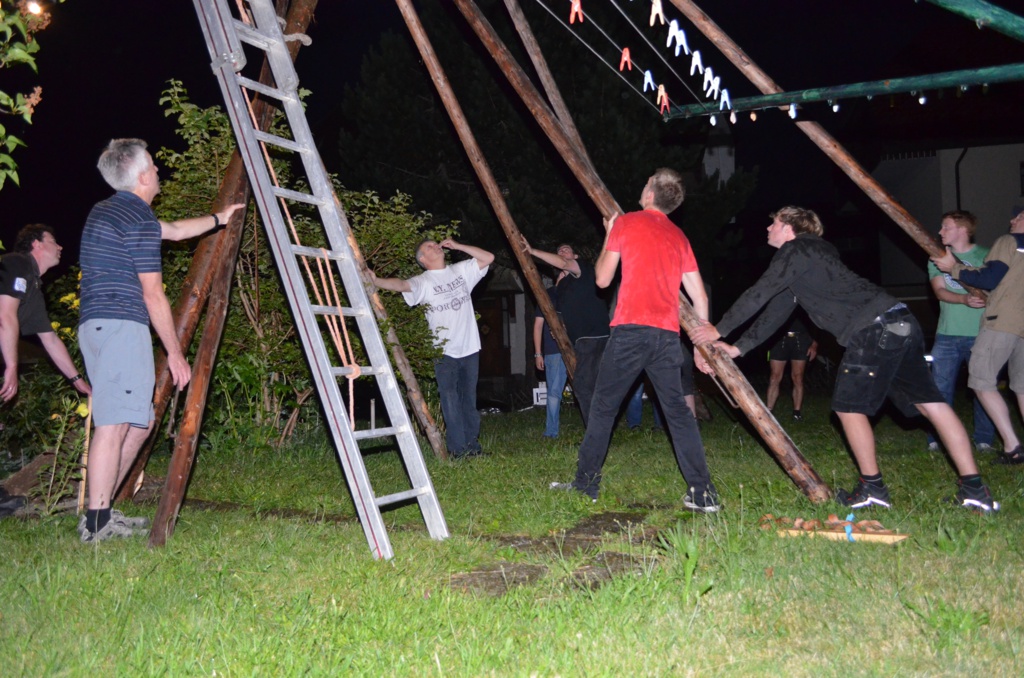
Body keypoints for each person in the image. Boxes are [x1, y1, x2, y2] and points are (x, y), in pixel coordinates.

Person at [690, 206, 998, 513]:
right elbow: (776, 310)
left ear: (788, 227)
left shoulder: (796, 249)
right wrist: (738, 347)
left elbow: (759, 292)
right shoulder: (813, 257)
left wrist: (718, 329)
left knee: (848, 407)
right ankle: (975, 490)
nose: (768, 229)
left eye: (773, 223)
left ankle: (872, 488)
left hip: (873, 328)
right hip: (900, 321)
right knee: (930, 403)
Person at [78, 138, 243, 542]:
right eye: (152, 165)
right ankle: (95, 524)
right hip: (120, 324)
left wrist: (219, 218)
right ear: (140, 176)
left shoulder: (113, 211)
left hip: (101, 326)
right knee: (115, 423)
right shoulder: (134, 217)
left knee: (140, 423)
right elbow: (153, 293)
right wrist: (174, 353)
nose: (157, 170)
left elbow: (174, 231)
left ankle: (102, 512)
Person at [550, 168, 718, 510]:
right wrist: (702, 345)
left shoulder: (626, 224)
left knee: (602, 408)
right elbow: (700, 297)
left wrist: (610, 235)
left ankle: (585, 485)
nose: (642, 187)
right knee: (678, 413)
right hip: (667, 337)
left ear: (651, 194)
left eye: (645, 183)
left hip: (630, 333)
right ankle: (703, 493)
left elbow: (601, 280)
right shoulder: (678, 236)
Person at [370, 238, 493, 459]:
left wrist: (459, 246)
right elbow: (401, 285)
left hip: (470, 348)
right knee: (450, 401)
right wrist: (376, 280)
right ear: (423, 259)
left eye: (436, 243)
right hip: (444, 352)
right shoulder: (423, 281)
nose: (435, 245)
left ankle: (473, 448)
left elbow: (488, 257)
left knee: (469, 400)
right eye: (429, 246)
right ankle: (458, 451)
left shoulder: (461, 271)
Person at [932, 207, 1024, 464]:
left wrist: (954, 268)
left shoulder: (1008, 241)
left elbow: (989, 279)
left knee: (981, 382)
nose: (1012, 219)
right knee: (1022, 387)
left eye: (1019, 216)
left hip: (1002, 322)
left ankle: (1012, 446)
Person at [924, 211, 994, 453]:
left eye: (946, 227)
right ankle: (937, 438)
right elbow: (939, 291)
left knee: (983, 388)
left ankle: (984, 439)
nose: (940, 232)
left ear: (963, 230)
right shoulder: (937, 258)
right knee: (939, 388)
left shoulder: (988, 256)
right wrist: (964, 299)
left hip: (982, 333)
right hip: (947, 334)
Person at [520, 239, 610, 425]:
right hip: (580, 341)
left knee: (585, 386)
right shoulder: (562, 287)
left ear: (575, 256)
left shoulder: (583, 268)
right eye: (559, 250)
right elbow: (565, 313)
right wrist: (560, 329)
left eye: (566, 250)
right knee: (585, 386)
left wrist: (532, 251)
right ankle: (598, 426)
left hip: (595, 337)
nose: (562, 252)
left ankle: (597, 428)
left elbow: (564, 263)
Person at [0, 224, 91, 402]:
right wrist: (12, 366)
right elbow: (5, 316)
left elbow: (50, 340)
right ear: (37, 244)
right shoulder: (16, 263)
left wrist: (78, 381)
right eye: (53, 241)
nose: (60, 247)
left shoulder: (34, 288)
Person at [765, 312, 817, 421]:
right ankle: (768, 412)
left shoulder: (806, 304)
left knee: (798, 377)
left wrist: (814, 345)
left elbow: (817, 323)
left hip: (801, 340)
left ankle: (796, 413)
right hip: (779, 339)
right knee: (774, 377)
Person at [533, 284, 566, 438]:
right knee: (554, 392)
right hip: (554, 351)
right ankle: (551, 431)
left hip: (576, 349)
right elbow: (538, 326)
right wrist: (538, 353)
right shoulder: (547, 295)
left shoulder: (574, 292)